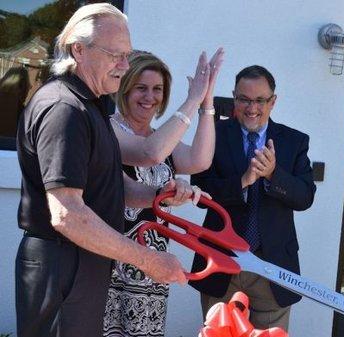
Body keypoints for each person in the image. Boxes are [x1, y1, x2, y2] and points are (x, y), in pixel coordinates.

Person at [15, 4, 199, 337]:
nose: (125, 66)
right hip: (63, 263)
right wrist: (148, 259)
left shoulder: (91, 105)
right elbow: (67, 214)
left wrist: (159, 195)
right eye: (115, 55)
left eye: (126, 56)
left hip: (82, 261)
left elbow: (108, 183)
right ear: (79, 50)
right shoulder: (64, 109)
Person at [102, 49, 223, 337]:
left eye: (157, 89)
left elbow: (200, 159)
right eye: (141, 88)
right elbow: (151, 155)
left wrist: (207, 103)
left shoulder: (159, 136)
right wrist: (191, 100)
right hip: (111, 267)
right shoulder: (108, 129)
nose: (150, 97)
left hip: (153, 272)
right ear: (125, 87)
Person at [189, 65, 317, 330]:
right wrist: (242, 182)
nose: (252, 108)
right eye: (244, 99)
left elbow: (305, 197)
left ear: (273, 101)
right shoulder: (215, 135)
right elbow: (199, 189)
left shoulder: (294, 141)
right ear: (234, 97)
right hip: (222, 260)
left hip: (271, 265)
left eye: (260, 100)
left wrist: (273, 175)